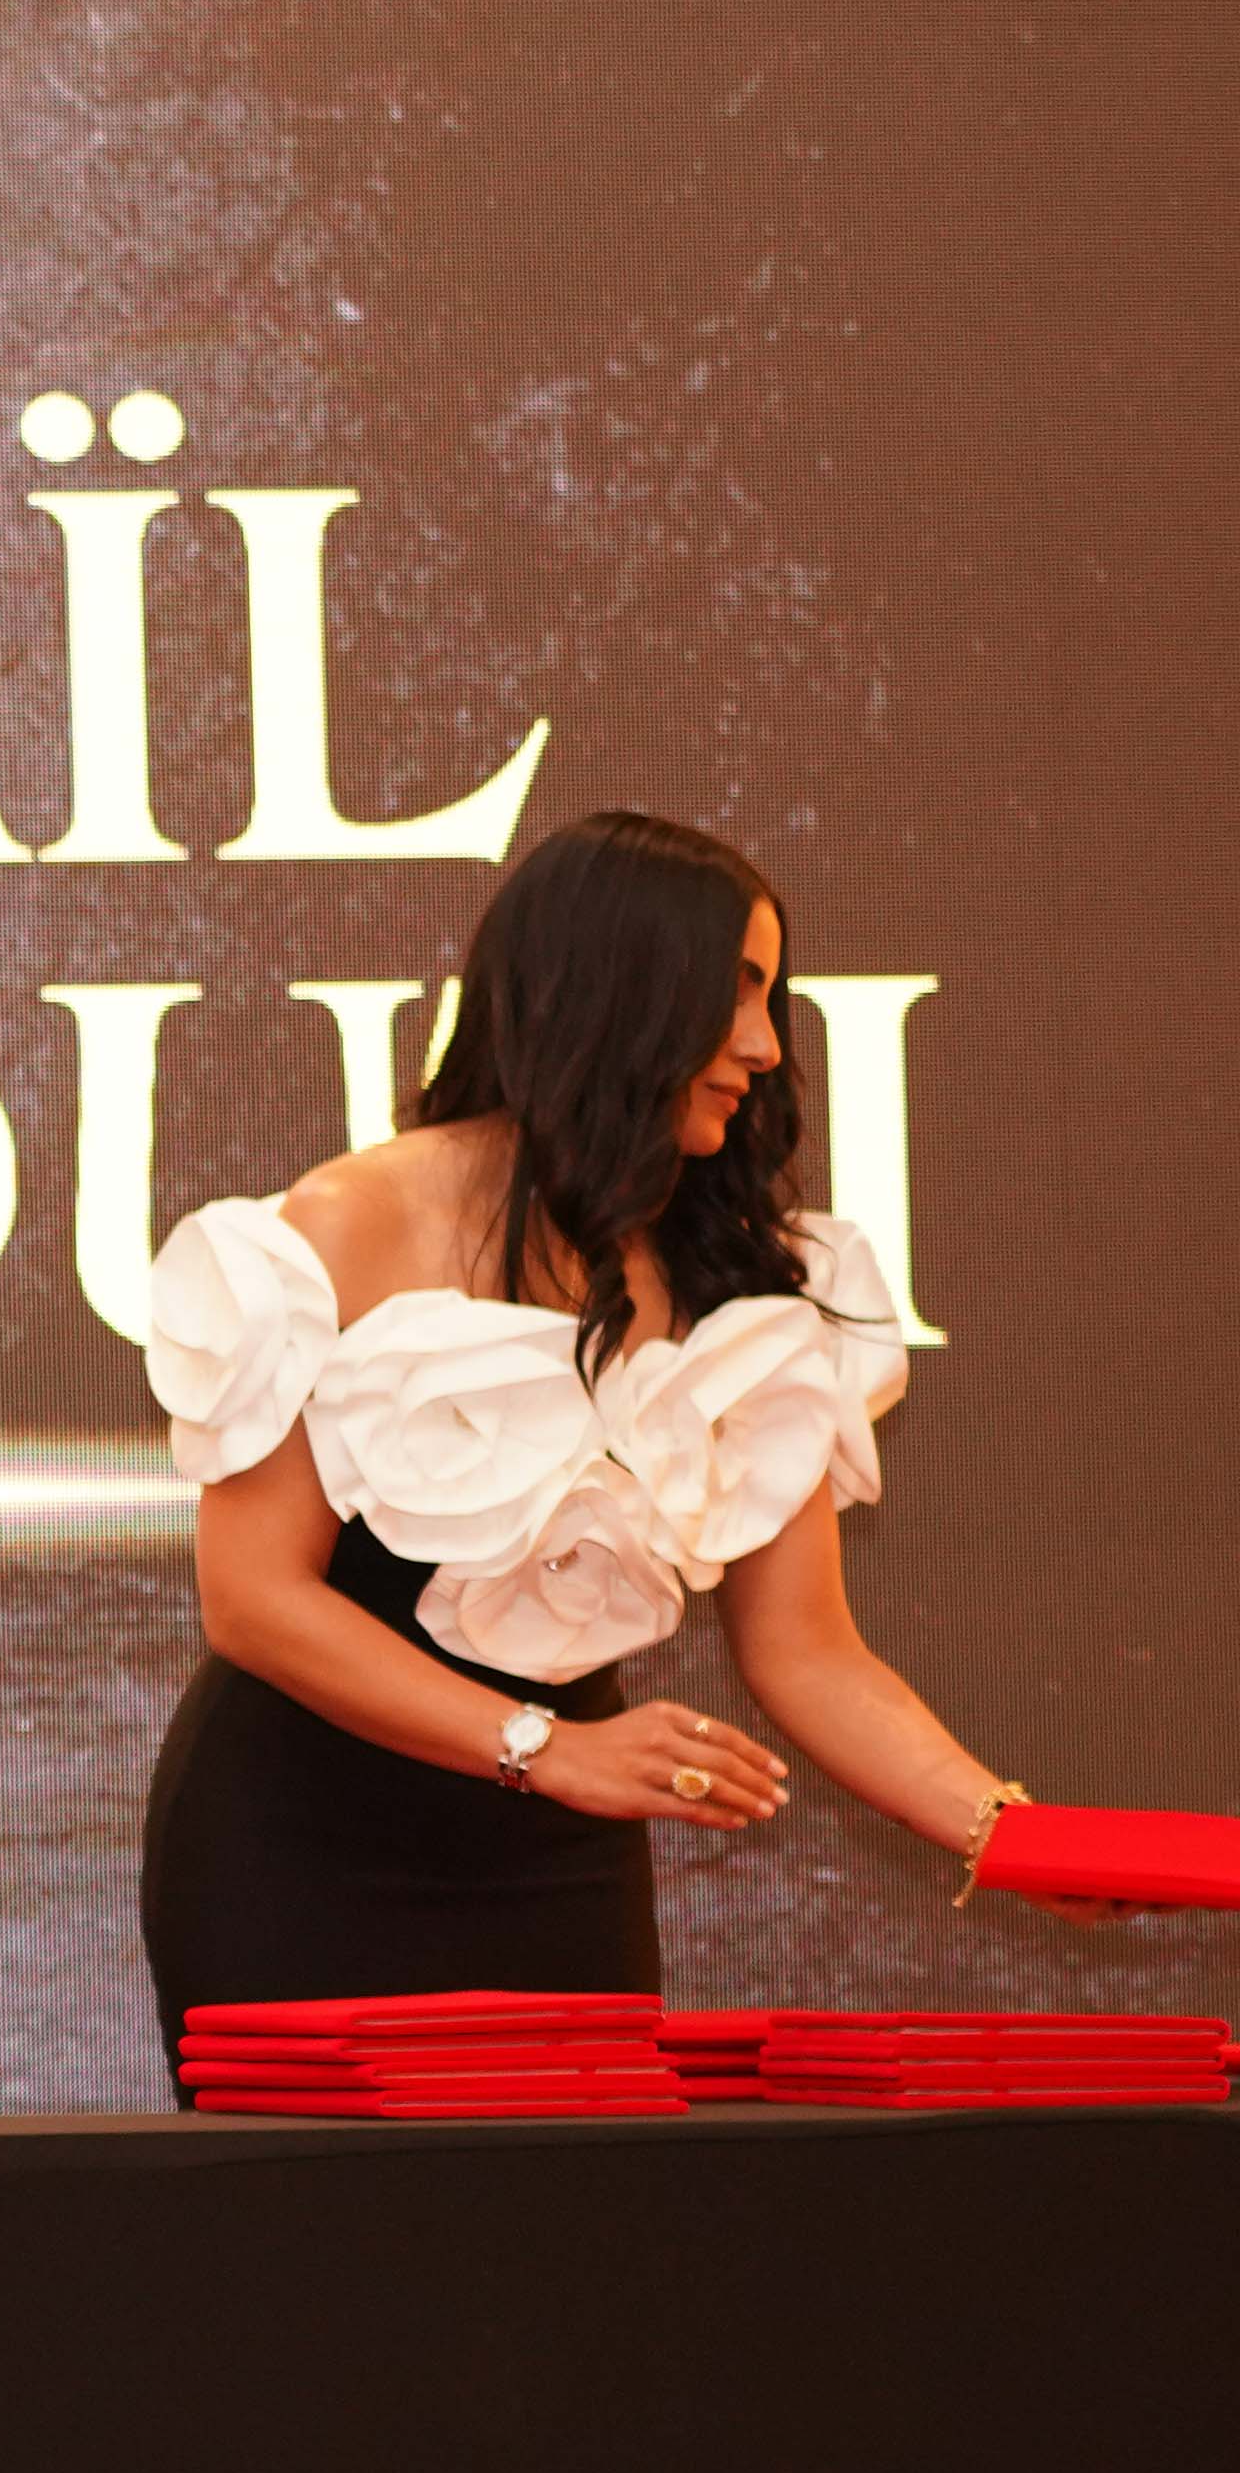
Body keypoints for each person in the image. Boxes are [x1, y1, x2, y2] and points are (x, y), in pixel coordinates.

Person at [138, 804, 1089, 2049]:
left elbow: (808, 1651)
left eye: (770, 999)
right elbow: (253, 1598)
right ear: (617, 989)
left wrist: (1005, 1832)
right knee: (323, 2182)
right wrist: (547, 1748)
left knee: (585, 2174)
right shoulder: (352, 1220)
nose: (762, 1045)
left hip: (560, 1853)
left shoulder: (743, 1282)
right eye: (733, 992)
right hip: (296, 1849)